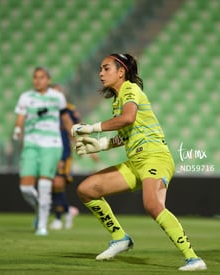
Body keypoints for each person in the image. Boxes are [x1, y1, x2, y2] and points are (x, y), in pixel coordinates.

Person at [71, 53, 207, 271]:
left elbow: (128, 118)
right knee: (87, 189)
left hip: (155, 156)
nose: (100, 73)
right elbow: (127, 133)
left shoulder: (130, 89)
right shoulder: (118, 100)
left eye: (106, 69)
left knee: (152, 205)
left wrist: (92, 128)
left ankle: (193, 258)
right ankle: (120, 238)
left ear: (121, 71)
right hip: (135, 161)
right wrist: (101, 145)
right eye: (100, 69)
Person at [13, 67, 73, 236]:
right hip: (31, 143)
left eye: (41, 77)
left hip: (52, 144)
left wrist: (75, 136)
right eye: (35, 77)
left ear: (48, 79)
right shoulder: (26, 97)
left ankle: (42, 226)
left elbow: (66, 118)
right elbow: (20, 117)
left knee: (45, 184)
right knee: (25, 188)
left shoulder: (57, 97)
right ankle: (40, 207)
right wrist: (18, 128)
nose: (38, 80)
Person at [48, 83, 81, 230]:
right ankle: (67, 210)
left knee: (57, 183)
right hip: (47, 150)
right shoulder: (45, 111)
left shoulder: (68, 110)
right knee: (50, 186)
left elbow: (74, 129)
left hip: (63, 152)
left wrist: (82, 145)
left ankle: (57, 218)